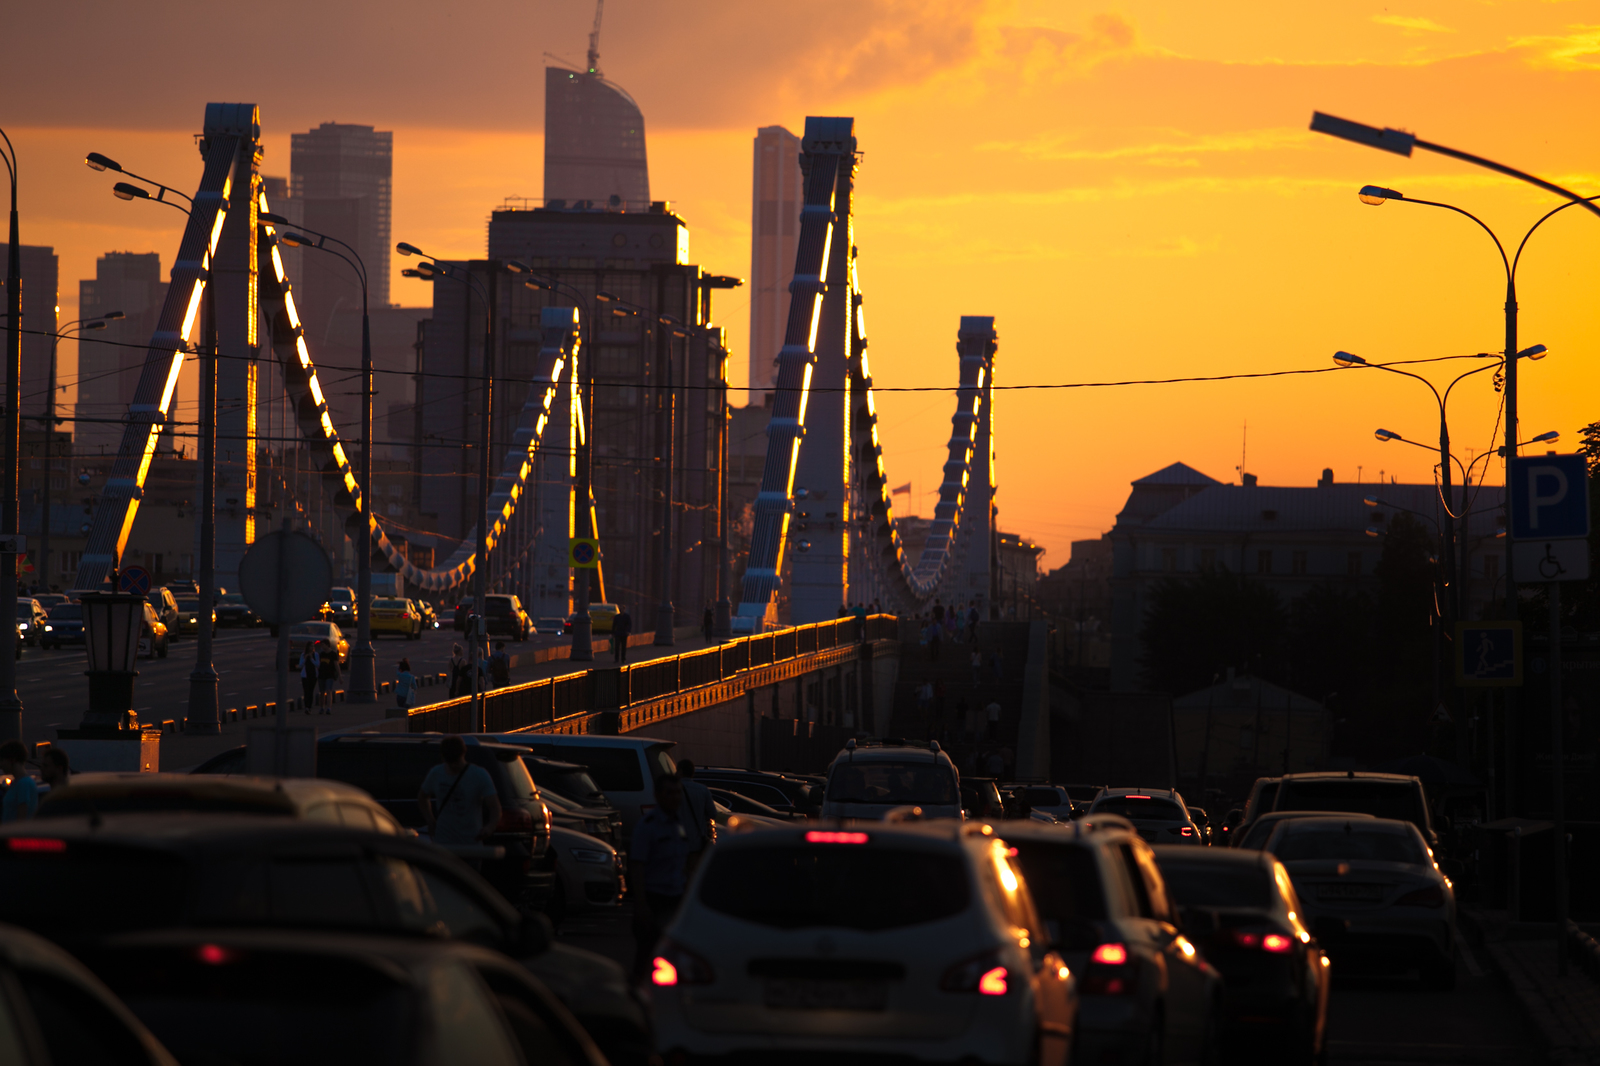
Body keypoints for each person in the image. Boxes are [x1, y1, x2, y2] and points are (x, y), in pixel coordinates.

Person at [631, 773, 690, 982]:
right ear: (658, 796)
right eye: (670, 793)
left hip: (675, 898)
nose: (675, 798)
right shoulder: (648, 826)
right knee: (647, 957)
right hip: (655, 899)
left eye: (678, 793)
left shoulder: (678, 824)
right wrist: (641, 905)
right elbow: (637, 865)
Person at [418, 736, 501, 854]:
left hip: (471, 844)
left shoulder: (478, 775)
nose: (453, 766)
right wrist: (430, 821)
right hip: (445, 844)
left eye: (455, 761)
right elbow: (422, 797)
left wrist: (489, 828)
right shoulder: (437, 773)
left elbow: (495, 807)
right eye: (450, 761)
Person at [676, 760, 716, 874]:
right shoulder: (702, 790)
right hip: (697, 842)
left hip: (677, 842)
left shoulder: (673, 790)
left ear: (680, 771)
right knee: (694, 875)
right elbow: (712, 813)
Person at [0, 741, 37, 822]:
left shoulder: (24, 783)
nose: (1, 764)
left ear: (12, 760)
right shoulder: (17, 783)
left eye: (2, 760)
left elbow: (22, 818)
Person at [317, 641, 340, 714]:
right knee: (322, 692)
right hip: (321, 675)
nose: (322, 647)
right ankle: (321, 707)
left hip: (330, 675)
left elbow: (336, 665)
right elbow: (318, 665)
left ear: (327, 645)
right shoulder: (321, 654)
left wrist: (339, 676)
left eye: (323, 645)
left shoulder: (333, 654)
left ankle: (329, 708)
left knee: (329, 691)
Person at [299, 641, 320, 712]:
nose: (312, 648)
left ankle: (309, 706)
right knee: (306, 691)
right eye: (311, 646)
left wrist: (311, 659)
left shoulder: (316, 654)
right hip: (305, 675)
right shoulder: (303, 655)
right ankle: (306, 707)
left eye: (313, 646)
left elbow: (317, 664)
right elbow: (300, 665)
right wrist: (305, 658)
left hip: (313, 675)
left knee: (311, 691)